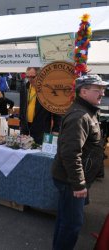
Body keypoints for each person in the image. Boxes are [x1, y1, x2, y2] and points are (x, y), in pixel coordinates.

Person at [52, 74, 108, 250]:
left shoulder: (87, 112)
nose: (102, 93)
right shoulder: (80, 116)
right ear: (83, 92)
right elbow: (70, 153)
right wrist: (79, 184)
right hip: (71, 181)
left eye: (103, 89)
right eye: (97, 89)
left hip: (72, 179)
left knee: (65, 220)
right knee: (72, 224)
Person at [19, 67, 61, 144]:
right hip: (25, 128)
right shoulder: (25, 87)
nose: (30, 79)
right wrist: (21, 124)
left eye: (33, 77)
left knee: (38, 153)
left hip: (41, 129)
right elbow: (22, 107)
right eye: (27, 77)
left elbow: (56, 111)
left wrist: (56, 130)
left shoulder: (48, 90)